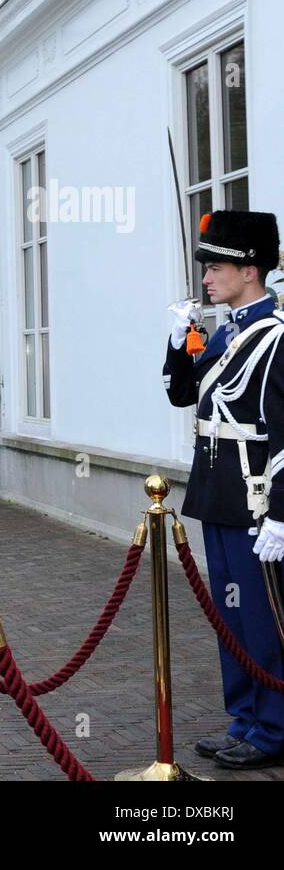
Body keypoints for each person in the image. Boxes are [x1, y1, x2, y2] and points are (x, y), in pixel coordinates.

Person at [164, 209, 284, 770]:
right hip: (218, 495)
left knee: (262, 621)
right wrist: (178, 343)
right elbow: (183, 395)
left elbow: (282, 433)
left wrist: (280, 515)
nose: (207, 278)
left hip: (256, 503)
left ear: (251, 270)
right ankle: (244, 718)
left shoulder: (274, 338)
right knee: (230, 617)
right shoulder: (230, 334)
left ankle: (273, 728)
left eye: (217, 267)